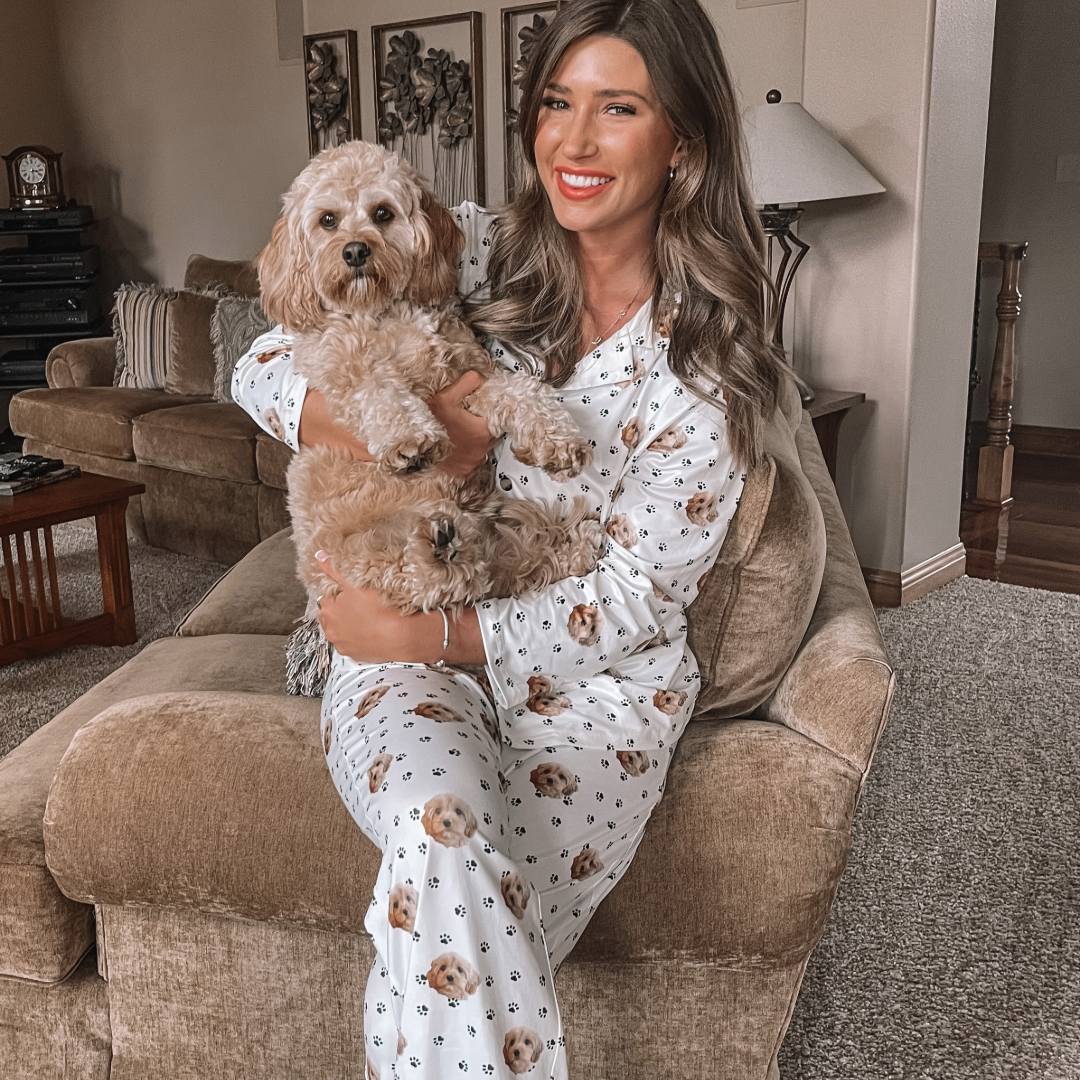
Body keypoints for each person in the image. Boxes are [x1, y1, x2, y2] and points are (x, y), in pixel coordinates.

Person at [233, 0, 784, 1076]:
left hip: (590, 687)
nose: (572, 144)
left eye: (617, 108)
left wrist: (424, 644)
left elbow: (634, 601)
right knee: (438, 823)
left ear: (687, 141)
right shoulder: (477, 245)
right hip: (405, 616)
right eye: (554, 105)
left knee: (450, 908)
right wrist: (370, 423)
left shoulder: (707, 372)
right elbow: (265, 358)